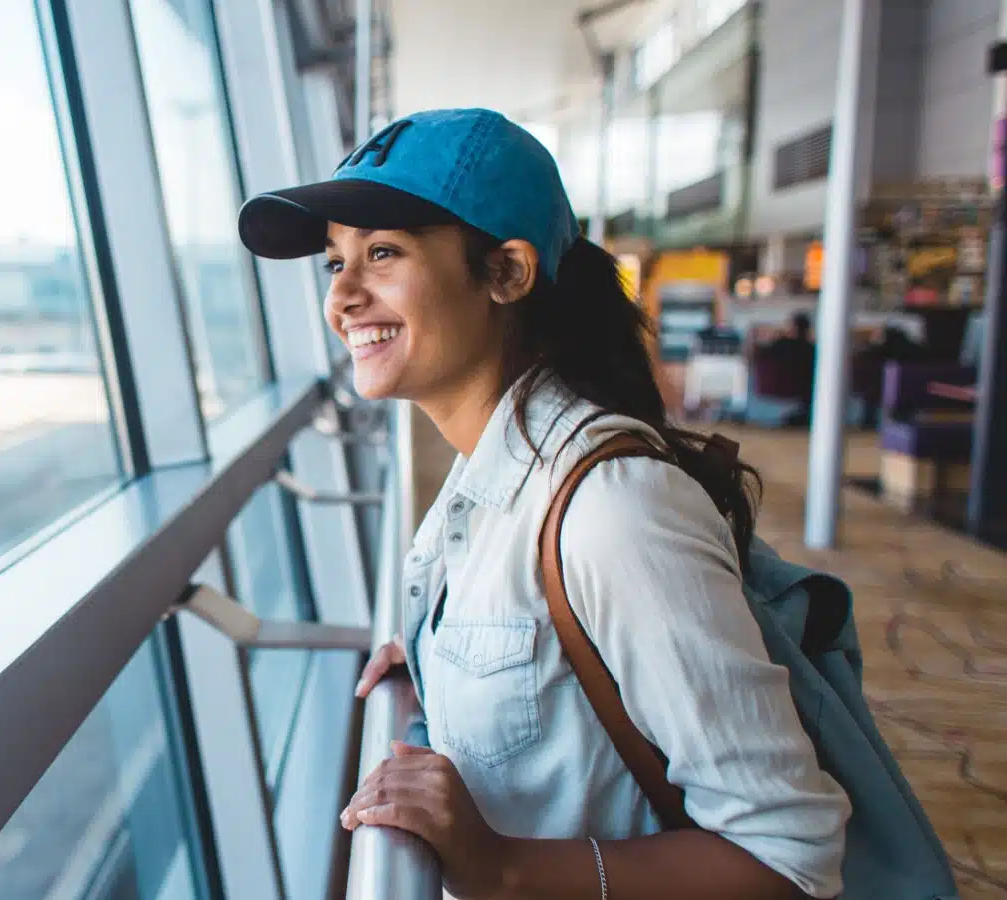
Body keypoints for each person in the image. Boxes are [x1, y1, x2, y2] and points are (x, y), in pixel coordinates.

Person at [238, 108, 849, 899]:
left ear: (507, 274)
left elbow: (788, 855)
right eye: (335, 264)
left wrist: (502, 867)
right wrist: (440, 657)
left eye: (382, 254)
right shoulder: (484, 475)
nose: (343, 298)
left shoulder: (613, 511)